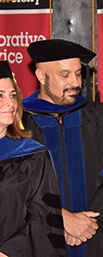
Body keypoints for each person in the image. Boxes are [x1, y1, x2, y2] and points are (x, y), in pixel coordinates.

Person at [21, 39, 103, 257]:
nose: (75, 82)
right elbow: (17, 187)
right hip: (40, 235)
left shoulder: (97, 115)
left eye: (78, 73)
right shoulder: (21, 123)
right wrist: (61, 219)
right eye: (65, 75)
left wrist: (86, 224)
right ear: (41, 77)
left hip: (94, 234)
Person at [0, 60, 66, 257]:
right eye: (0, 96)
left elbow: (42, 219)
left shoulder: (31, 156)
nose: (11, 102)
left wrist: (7, 252)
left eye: (13, 95)